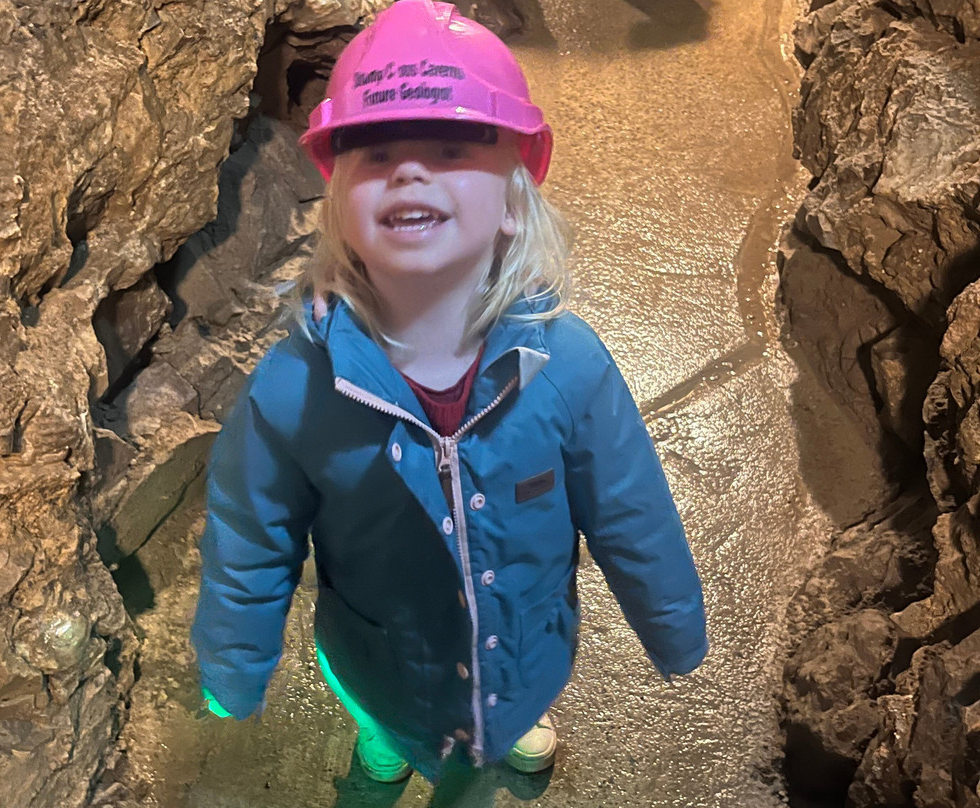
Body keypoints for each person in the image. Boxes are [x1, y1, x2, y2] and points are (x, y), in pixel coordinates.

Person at [190, 0, 708, 786]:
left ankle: (512, 716)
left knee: (515, 694)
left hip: (526, 645)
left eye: (451, 146)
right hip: (377, 654)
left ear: (513, 200)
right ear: (338, 200)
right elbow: (249, 537)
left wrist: (672, 628)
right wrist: (234, 667)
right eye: (374, 151)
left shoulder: (568, 365)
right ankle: (385, 737)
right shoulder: (294, 387)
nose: (409, 169)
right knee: (378, 708)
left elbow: (631, 508)